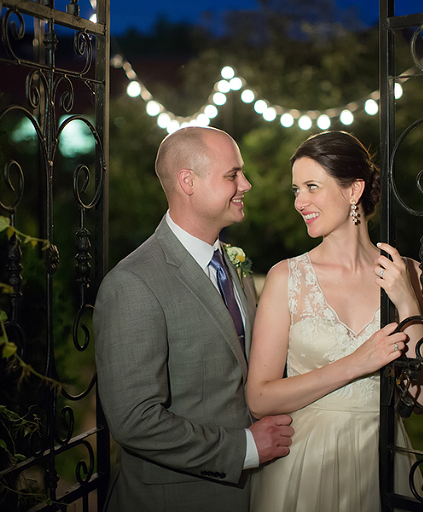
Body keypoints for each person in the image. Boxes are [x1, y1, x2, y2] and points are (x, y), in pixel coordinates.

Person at [94, 126, 294, 512]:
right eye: (233, 174)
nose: (246, 184)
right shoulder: (133, 284)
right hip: (176, 499)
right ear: (188, 181)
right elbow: (135, 421)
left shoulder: (231, 264)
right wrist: (246, 447)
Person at [246, 131, 423, 511]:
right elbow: (259, 398)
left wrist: (405, 299)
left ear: (354, 190)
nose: (300, 202)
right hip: (304, 463)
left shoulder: (409, 273)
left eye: (311, 187)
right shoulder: (286, 277)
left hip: (381, 459)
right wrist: (356, 364)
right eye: (296, 190)